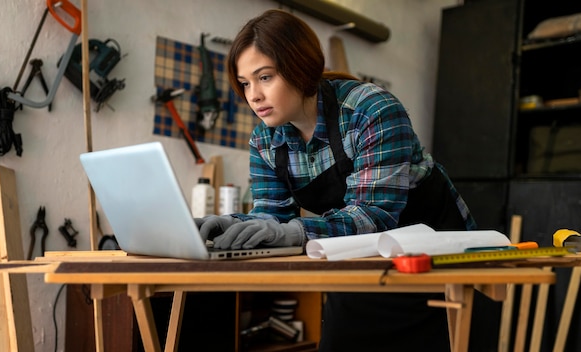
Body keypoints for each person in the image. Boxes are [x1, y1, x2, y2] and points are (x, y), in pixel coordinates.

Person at [195, 8, 477, 352]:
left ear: (300, 66)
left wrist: (295, 232)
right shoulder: (265, 141)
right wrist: (228, 225)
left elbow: (374, 216)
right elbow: (272, 215)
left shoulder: (371, 110)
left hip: (436, 269)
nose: (253, 95)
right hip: (358, 269)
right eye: (245, 83)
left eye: (265, 77)